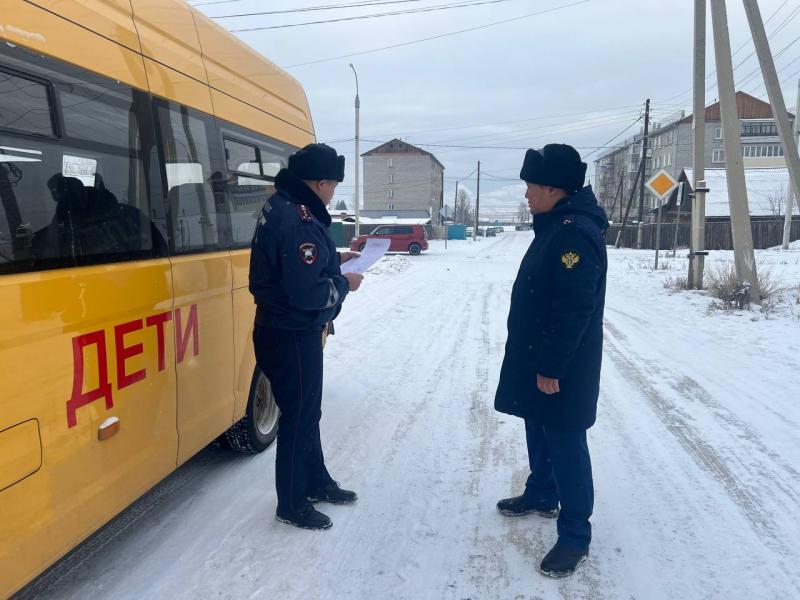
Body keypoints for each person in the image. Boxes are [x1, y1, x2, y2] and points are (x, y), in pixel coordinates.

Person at [494, 144, 609, 578]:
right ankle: (542, 492)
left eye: (531, 186)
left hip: (562, 366)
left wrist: (552, 366)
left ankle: (575, 536)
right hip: (539, 356)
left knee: (564, 440)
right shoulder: (556, 225)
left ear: (553, 189)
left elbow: (574, 308)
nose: (526, 195)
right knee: (539, 424)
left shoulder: (573, 234)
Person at [249, 143, 363, 530]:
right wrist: (344, 284)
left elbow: (297, 263)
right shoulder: (297, 218)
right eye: (333, 185)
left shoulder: (284, 204)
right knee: (299, 417)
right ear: (320, 183)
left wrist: (335, 259)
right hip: (292, 334)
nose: (333, 193)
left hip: (282, 330)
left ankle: (316, 481)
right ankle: (293, 503)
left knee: (307, 412)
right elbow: (308, 292)